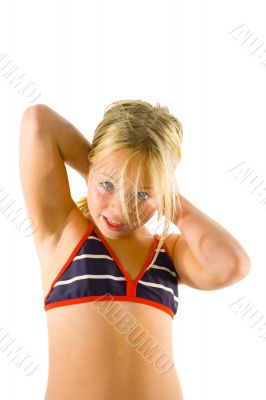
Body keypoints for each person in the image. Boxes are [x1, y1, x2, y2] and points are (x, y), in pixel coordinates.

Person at [19, 100, 251, 400]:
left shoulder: (167, 252)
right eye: (107, 185)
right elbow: (38, 121)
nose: (121, 209)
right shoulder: (63, 232)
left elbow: (233, 265)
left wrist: (170, 199)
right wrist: (101, 167)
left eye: (142, 193)